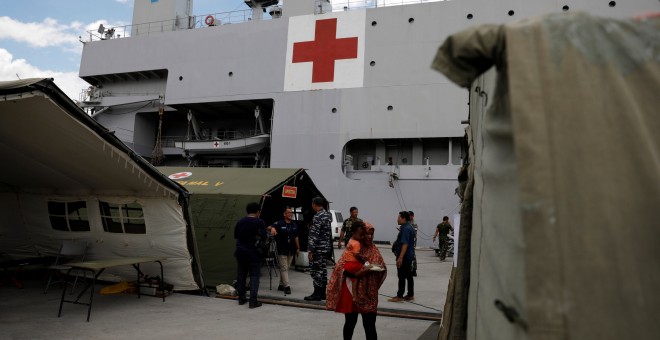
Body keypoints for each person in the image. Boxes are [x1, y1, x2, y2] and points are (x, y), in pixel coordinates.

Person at [327, 221, 387, 340]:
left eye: (372, 234)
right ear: (361, 234)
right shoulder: (354, 248)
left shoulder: (374, 250)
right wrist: (358, 273)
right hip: (352, 293)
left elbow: (382, 267)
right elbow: (340, 267)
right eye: (366, 234)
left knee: (369, 325)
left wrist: (377, 268)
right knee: (350, 322)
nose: (369, 237)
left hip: (370, 294)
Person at [234, 202, 267, 309]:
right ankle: (253, 301)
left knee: (241, 275)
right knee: (254, 276)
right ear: (258, 212)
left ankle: (241, 298)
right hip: (253, 253)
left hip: (240, 252)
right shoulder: (259, 222)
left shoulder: (240, 221)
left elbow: (236, 235)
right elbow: (264, 236)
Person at [304, 196, 332, 301]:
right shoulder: (327, 215)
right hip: (325, 248)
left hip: (318, 249)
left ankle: (317, 294)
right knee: (323, 270)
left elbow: (314, 235)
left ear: (314, 204)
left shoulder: (317, 217)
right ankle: (322, 293)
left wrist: (310, 250)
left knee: (316, 271)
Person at [267, 207, 300, 295]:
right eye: (288, 212)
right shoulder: (279, 223)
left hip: (291, 250)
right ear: (284, 214)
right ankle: (287, 286)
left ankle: (281, 285)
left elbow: (296, 237)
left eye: (291, 212)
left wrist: (298, 248)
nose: (290, 214)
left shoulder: (294, 224)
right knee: (284, 268)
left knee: (286, 268)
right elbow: (269, 227)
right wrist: (272, 228)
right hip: (282, 249)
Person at [388, 211, 415, 302]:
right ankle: (410, 294)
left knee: (401, 275)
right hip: (409, 255)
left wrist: (400, 257)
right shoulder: (409, 226)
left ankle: (399, 296)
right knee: (408, 275)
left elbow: (405, 244)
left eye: (399, 217)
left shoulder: (405, 228)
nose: (397, 219)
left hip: (405, 256)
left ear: (403, 218)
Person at [408, 211, 418, 277]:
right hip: (406, 243)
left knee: (412, 257)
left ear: (412, 216)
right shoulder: (407, 223)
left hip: (411, 243)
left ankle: (413, 270)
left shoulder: (413, 225)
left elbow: (414, 234)